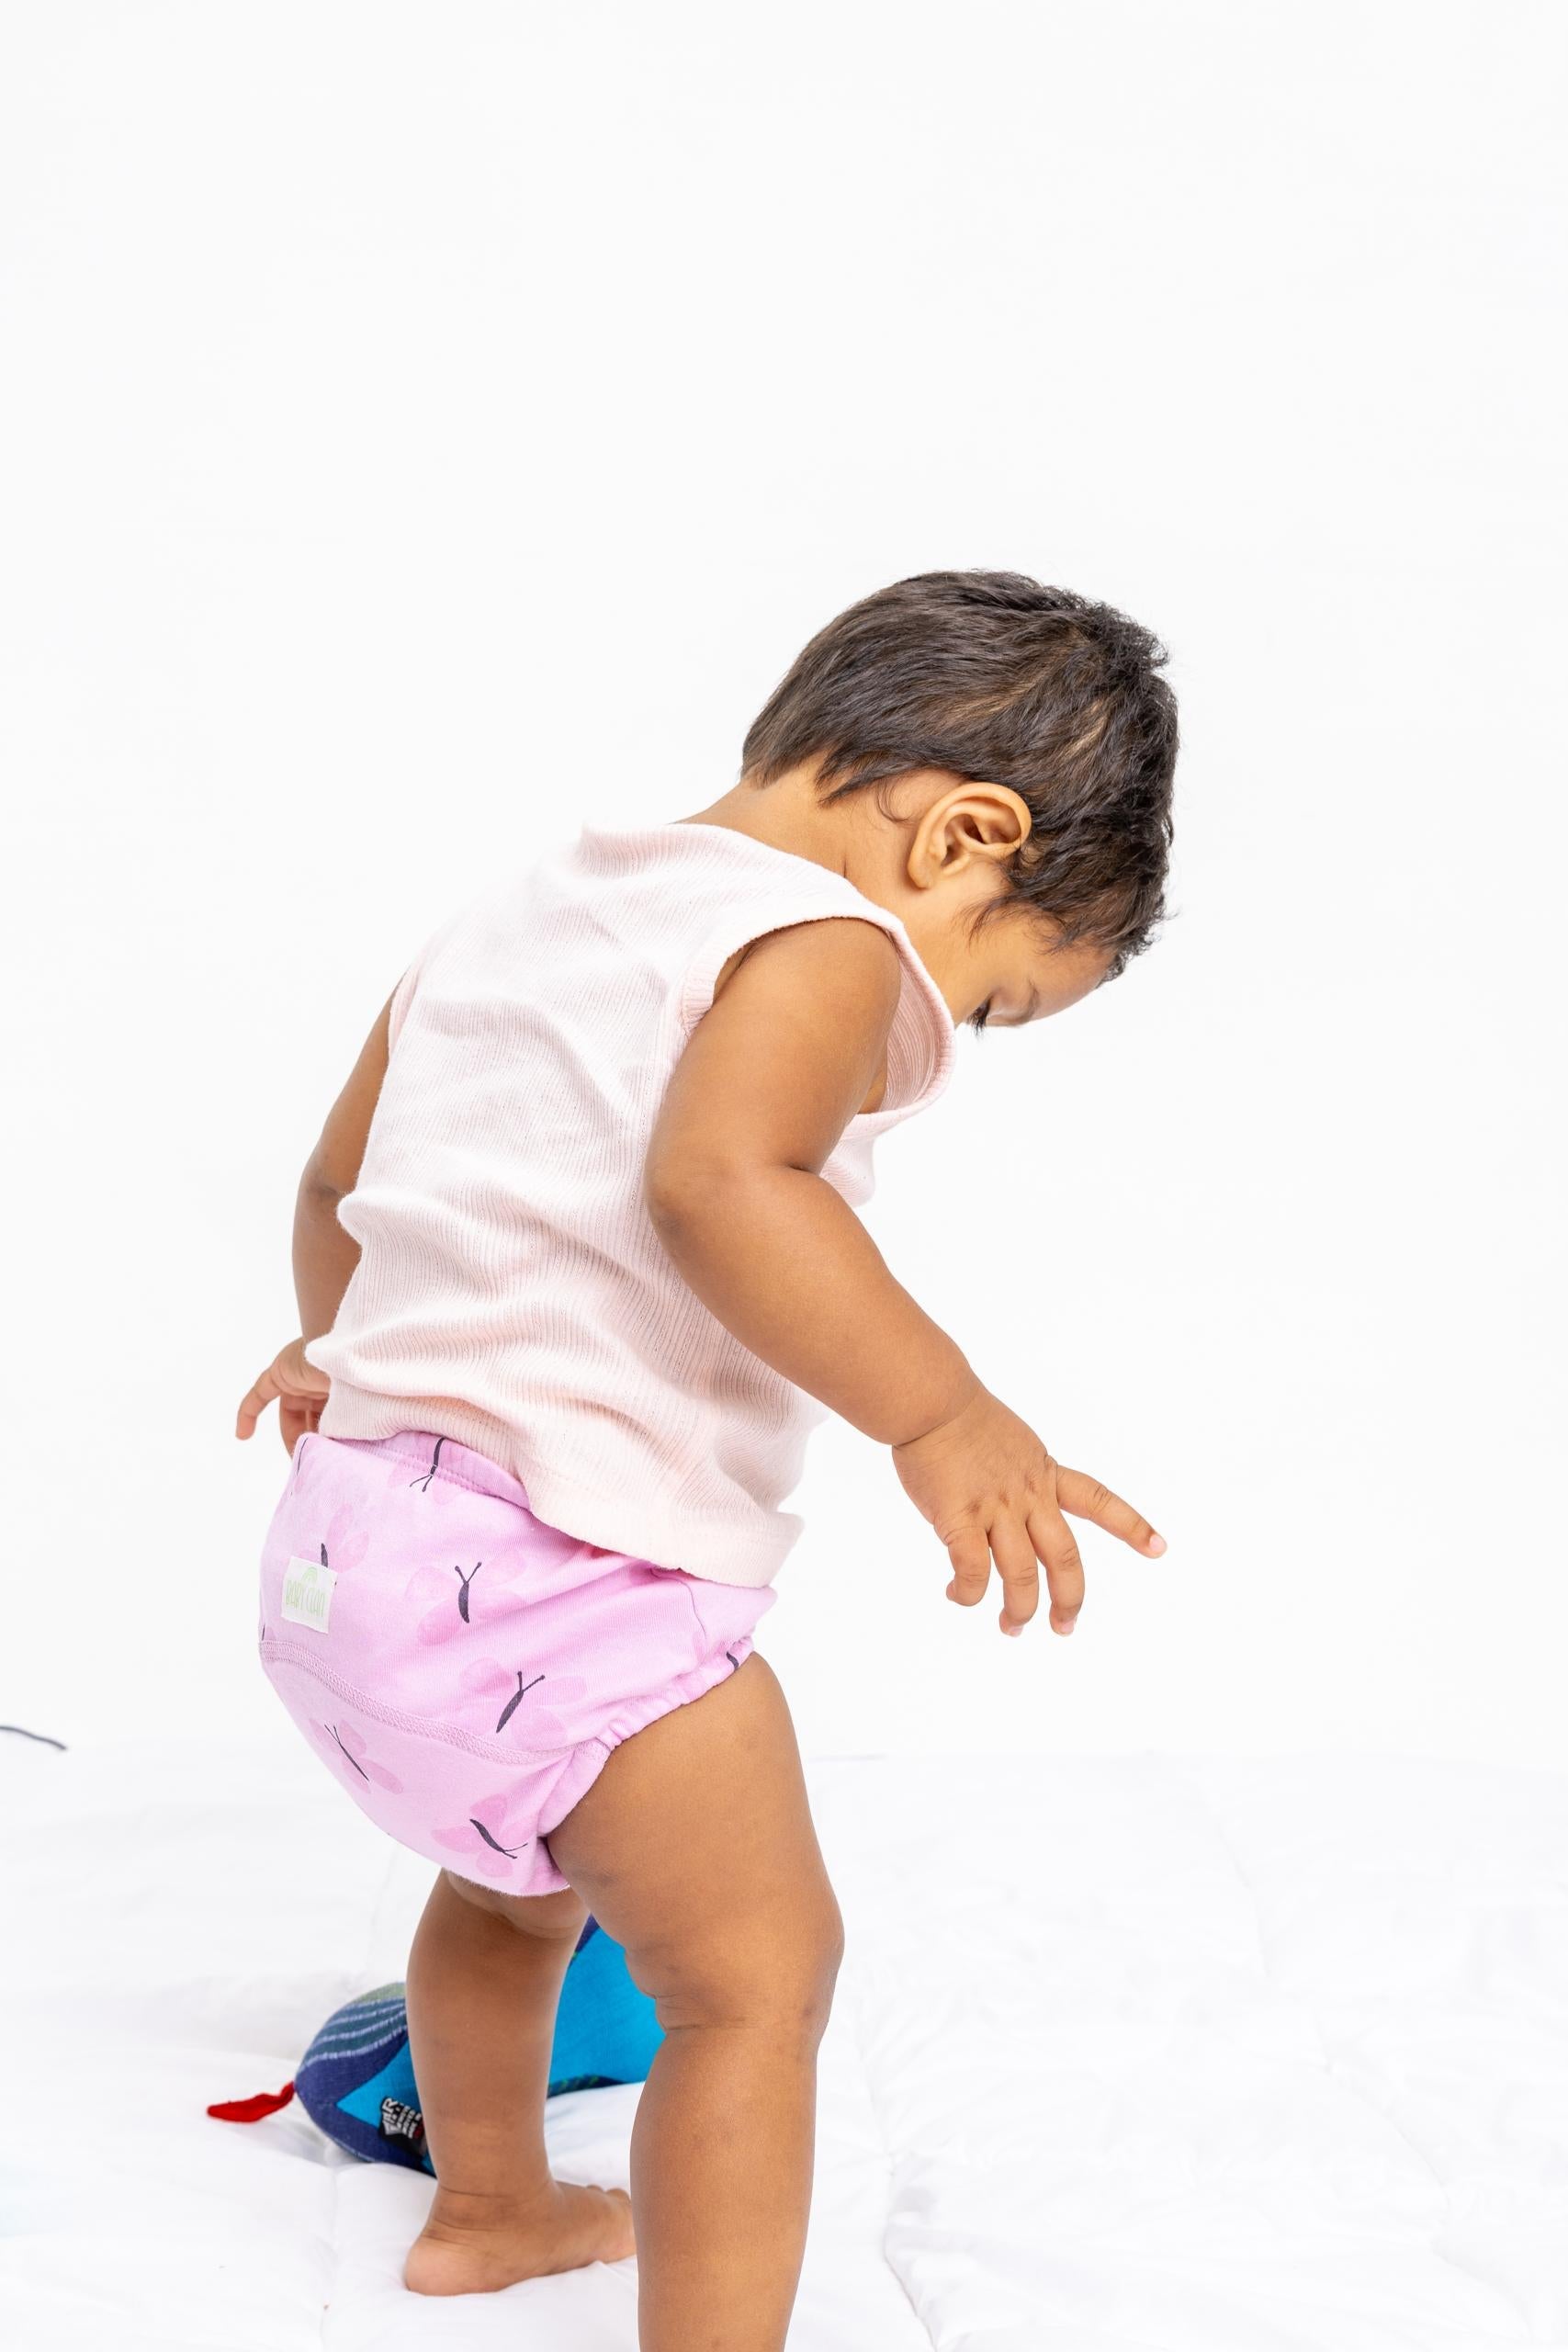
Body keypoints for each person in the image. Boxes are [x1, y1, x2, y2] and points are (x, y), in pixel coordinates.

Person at [235, 569, 1178, 2351]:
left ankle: (491, 2208)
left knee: (512, 1893)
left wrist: (345, 1346)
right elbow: (722, 1178)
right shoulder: (817, 939)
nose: (936, 1028)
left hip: (346, 1552)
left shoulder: (511, 914)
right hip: (552, 1571)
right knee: (751, 1983)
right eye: (991, 994)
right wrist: (940, 1408)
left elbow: (329, 1182)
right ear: (964, 835)